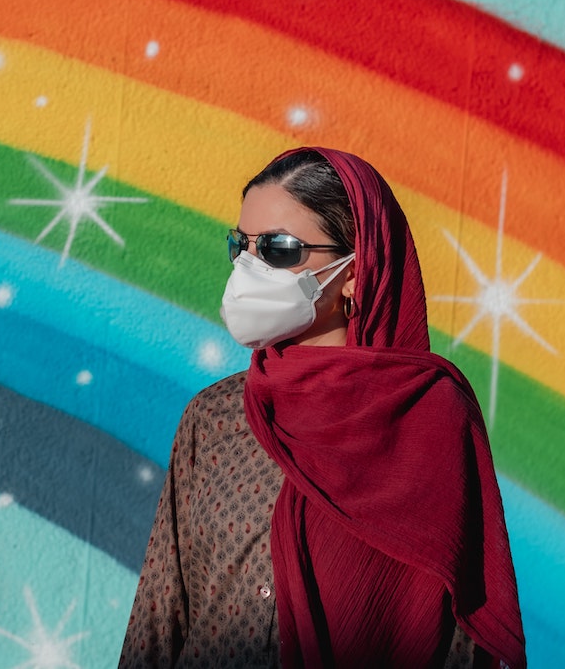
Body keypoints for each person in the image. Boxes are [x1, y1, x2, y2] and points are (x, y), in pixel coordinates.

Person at [119, 148, 525, 668]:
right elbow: (159, 618)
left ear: (355, 272)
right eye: (240, 246)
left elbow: (465, 636)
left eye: (279, 249)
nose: (249, 267)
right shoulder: (216, 417)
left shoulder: (429, 422)